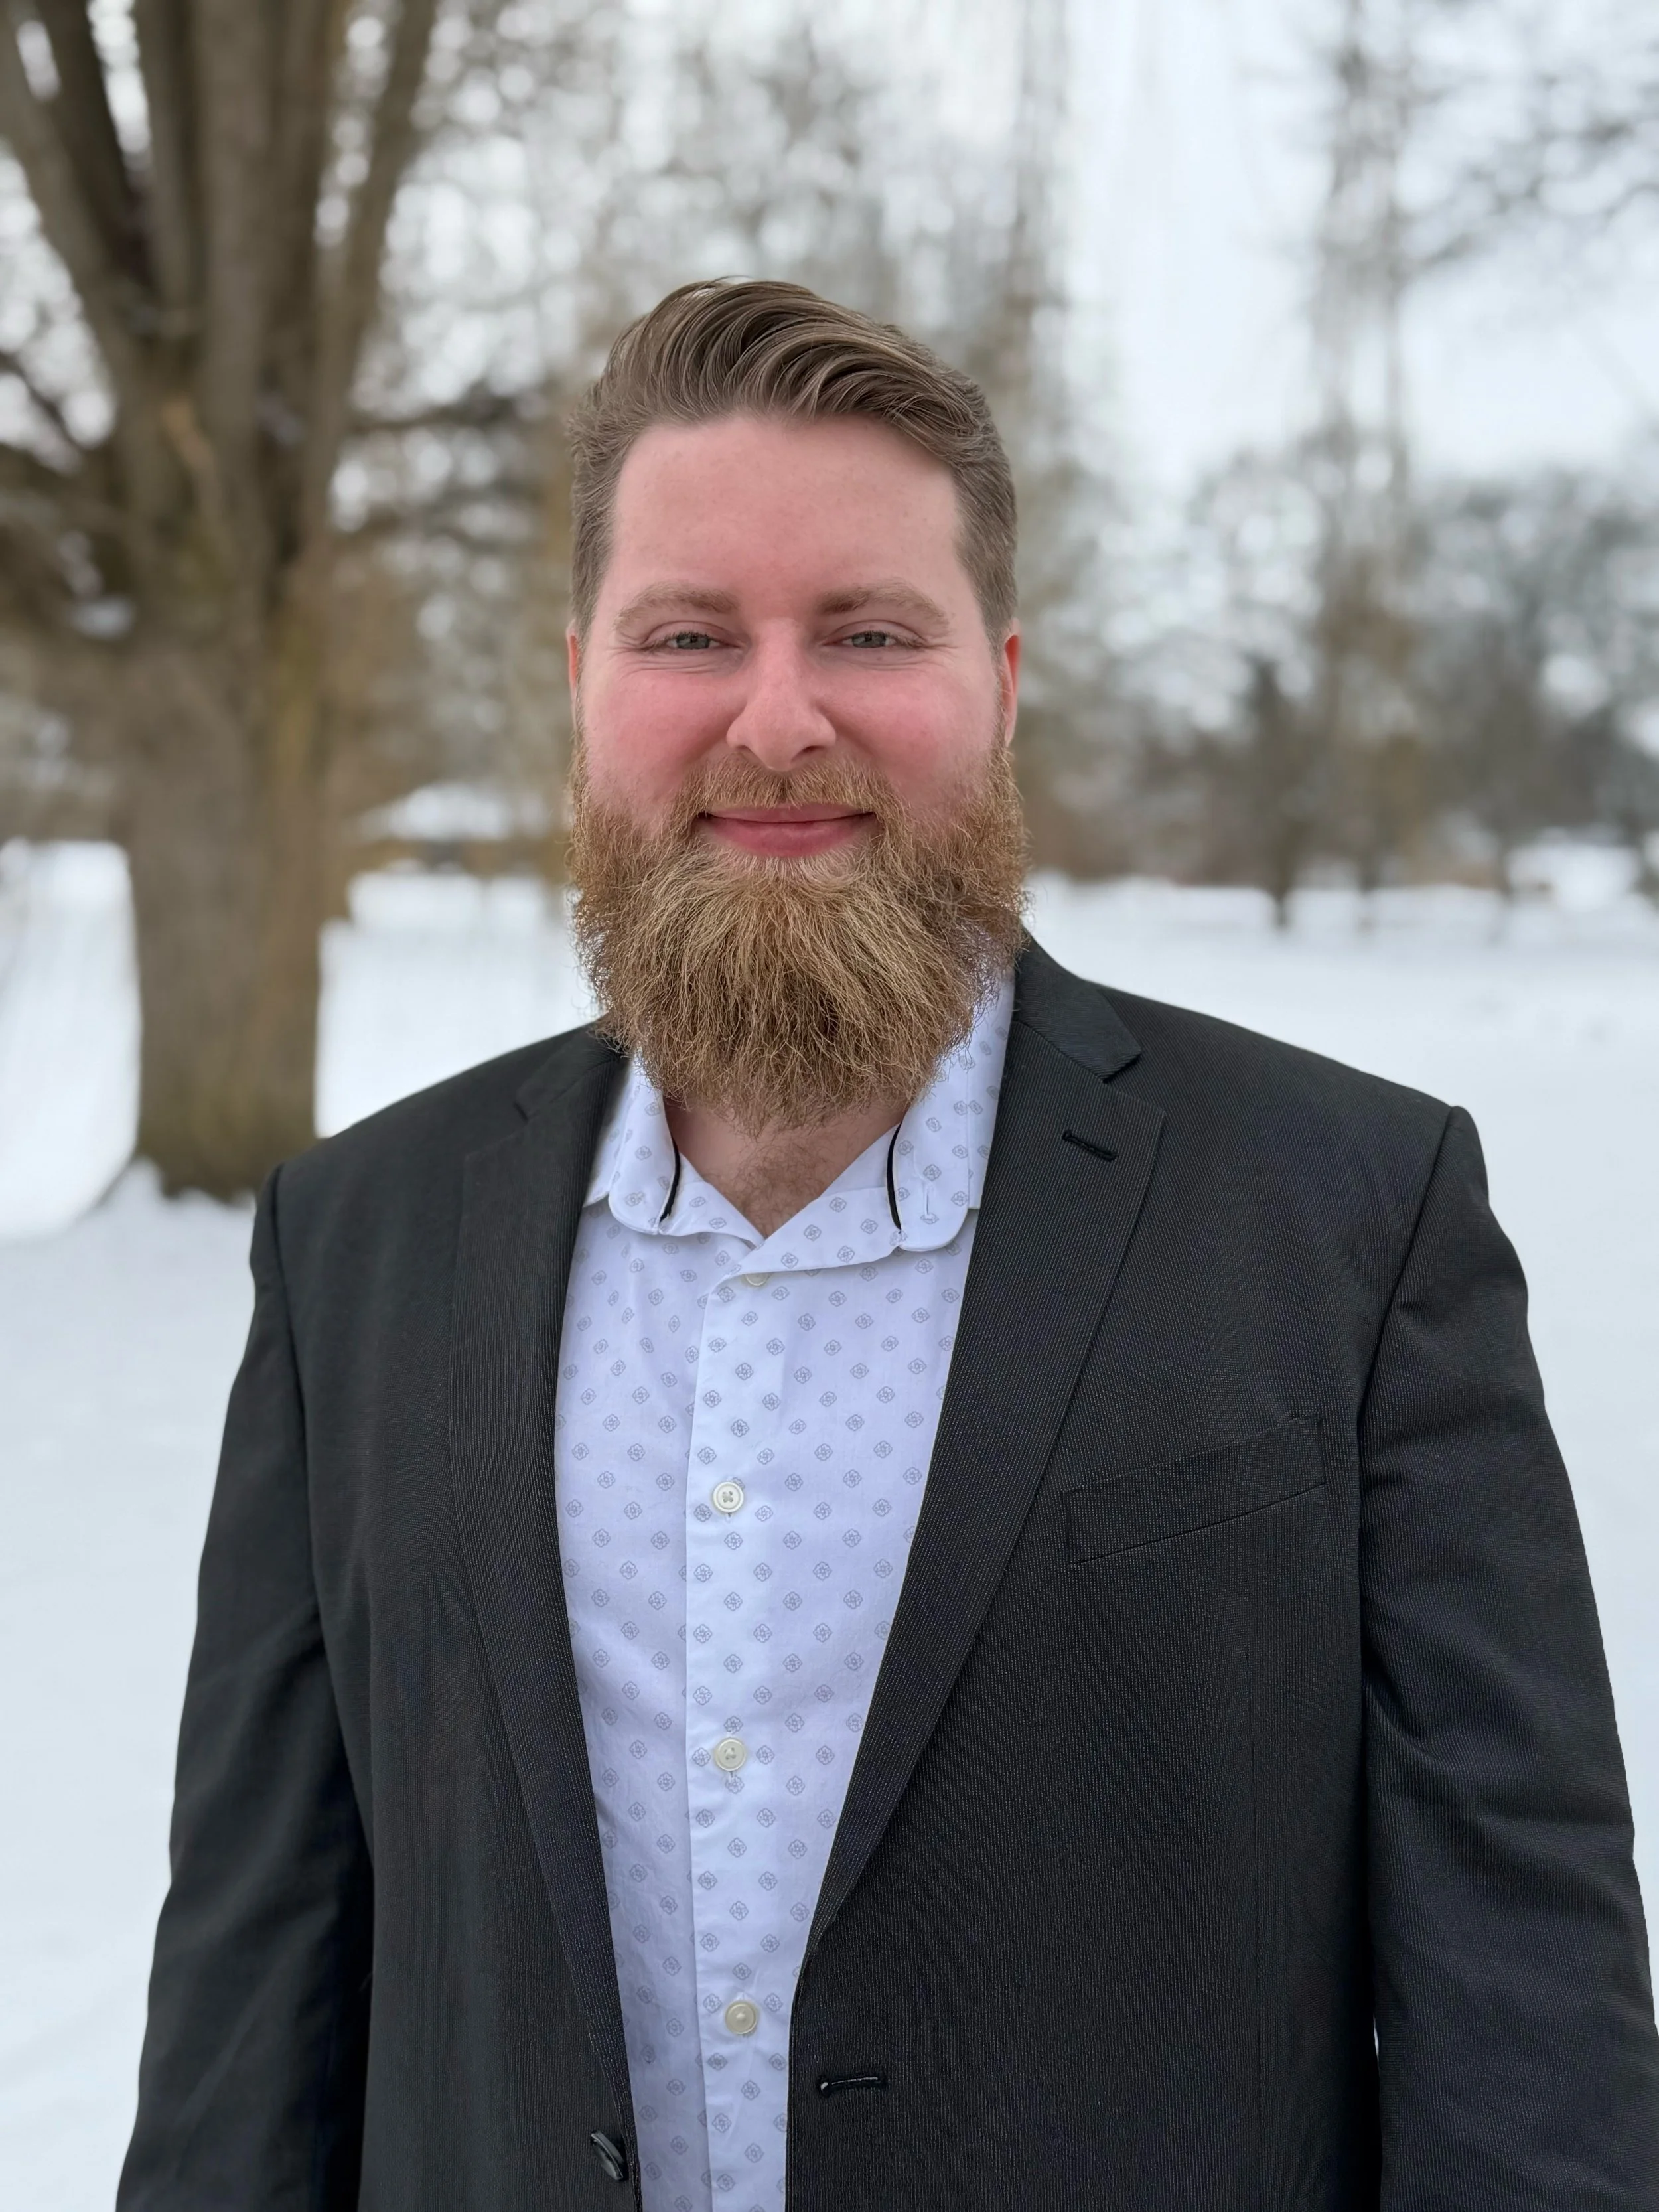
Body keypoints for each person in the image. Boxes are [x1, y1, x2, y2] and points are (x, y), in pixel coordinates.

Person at [119, 279, 1658, 2212]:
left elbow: (1524, 2014)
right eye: (690, 634)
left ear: (999, 682)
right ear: (580, 676)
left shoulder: (1347, 1219)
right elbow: (256, 1991)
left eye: (867, 629)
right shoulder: (361, 1238)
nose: (778, 716)